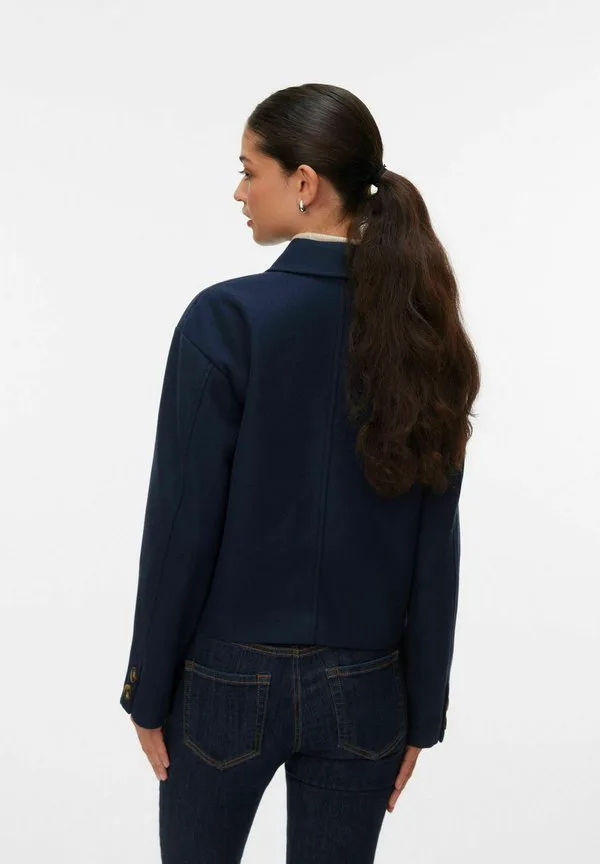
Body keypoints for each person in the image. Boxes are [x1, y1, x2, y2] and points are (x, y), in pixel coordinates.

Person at [118, 82, 480, 863]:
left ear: (305, 183)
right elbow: (435, 544)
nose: (240, 191)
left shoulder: (226, 319)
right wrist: (423, 711)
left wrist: (146, 688)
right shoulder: (423, 332)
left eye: (250, 170)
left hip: (225, 682)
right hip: (367, 686)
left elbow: (182, 521)